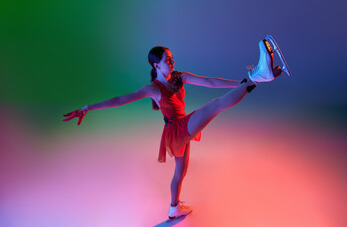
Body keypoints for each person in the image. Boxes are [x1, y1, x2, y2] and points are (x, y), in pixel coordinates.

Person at [63, 38, 284, 219]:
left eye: (172, 58)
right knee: (214, 106)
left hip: (177, 129)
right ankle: (258, 77)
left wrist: (240, 81)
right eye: (167, 60)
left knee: (180, 172)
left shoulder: (179, 77)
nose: (172, 62)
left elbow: (210, 82)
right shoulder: (153, 88)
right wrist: (88, 107)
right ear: (156, 65)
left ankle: (173, 208)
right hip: (177, 129)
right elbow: (120, 99)